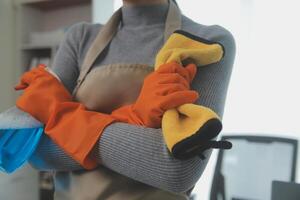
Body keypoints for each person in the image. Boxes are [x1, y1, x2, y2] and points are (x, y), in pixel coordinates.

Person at [17, 0, 236, 199]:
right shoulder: (79, 38)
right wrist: (136, 117)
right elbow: (36, 150)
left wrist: (61, 120)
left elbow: (176, 171)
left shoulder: (208, 43)